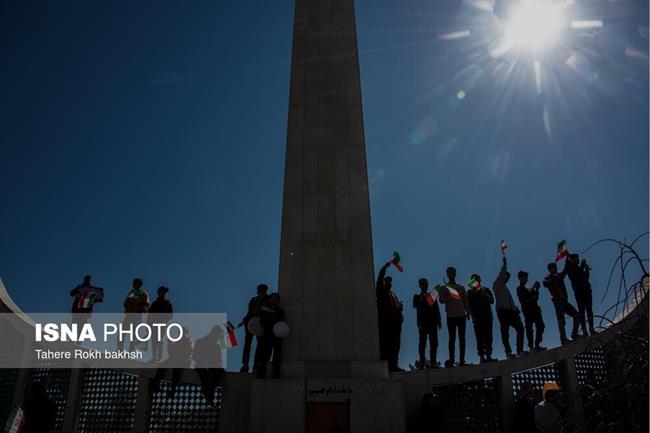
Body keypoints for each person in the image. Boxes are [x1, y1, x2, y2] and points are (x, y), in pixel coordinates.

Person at [543, 260, 585, 344]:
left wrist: (567, 262)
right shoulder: (548, 278)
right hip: (558, 302)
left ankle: (574, 334)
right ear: (550, 269)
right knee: (561, 321)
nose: (555, 269)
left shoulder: (558, 275)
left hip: (564, 301)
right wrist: (553, 277)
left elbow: (565, 271)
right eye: (554, 268)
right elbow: (546, 283)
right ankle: (563, 339)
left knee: (577, 315)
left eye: (556, 268)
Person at [493, 257, 526, 358]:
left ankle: (519, 350)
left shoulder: (505, 288)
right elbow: (501, 275)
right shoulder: (497, 284)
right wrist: (505, 264)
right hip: (502, 312)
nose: (506, 279)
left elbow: (509, 301)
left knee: (520, 328)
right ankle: (508, 352)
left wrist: (515, 308)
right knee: (505, 332)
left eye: (508, 278)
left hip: (511, 312)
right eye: (505, 277)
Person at [439, 267, 470, 367]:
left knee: (462, 338)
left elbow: (466, 300)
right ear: (447, 274)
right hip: (451, 316)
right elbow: (441, 300)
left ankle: (462, 361)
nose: (451, 274)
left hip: (461, 315)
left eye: (453, 272)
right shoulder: (444, 288)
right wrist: (447, 296)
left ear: (455, 274)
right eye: (449, 273)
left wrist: (468, 312)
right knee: (452, 339)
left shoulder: (461, 287)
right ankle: (452, 360)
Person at [376, 262, 404, 372]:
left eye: (390, 282)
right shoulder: (381, 292)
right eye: (387, 282)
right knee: (385, 345)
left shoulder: (393, 294)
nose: (389, 284)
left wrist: (399, 308)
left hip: (395, 323)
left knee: (395, 346)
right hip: (386, 322)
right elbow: (379, 279)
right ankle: (386, 366)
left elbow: (394, 306)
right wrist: (384, 268)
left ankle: (394, 365)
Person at [237, 283, 268, 373]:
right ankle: (245, 364)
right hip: (250, 324)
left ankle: (256, 364)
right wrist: (244, 321)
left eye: (265, 291)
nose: (264, 293)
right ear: (258, 292)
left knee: (260, 345)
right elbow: (249, 312)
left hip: (260, 325)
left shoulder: (268, 300)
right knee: (247, 345)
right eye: (262, 291)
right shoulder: (253, 300)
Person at [254, 292, 285, 378]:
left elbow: (280, 321)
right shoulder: (264, 310)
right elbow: (262, 322)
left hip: (277, 336)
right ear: (269, 300)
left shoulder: (280, 311)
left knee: (277, 355)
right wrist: (271, 322)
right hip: (267, 335)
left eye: (276, 299)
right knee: (265, 355)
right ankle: (261, 373)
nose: (275, 301)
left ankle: (276, 374)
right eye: (273, 298)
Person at [412, 278, 442, 369]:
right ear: (420, 286)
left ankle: (433, 362)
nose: (424, 285)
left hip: (432, 322)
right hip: (423, 323)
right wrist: (421, 298)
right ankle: (422, 363)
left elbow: (436, 309)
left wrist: (439, 321)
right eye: (422, 284)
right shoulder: (416, 296)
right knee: (422, 343)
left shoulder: (432, 295)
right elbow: (415, 305)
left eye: (425, 284)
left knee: (434, 343)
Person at [467, 273, 496, 363]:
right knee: (479, 338)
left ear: (480, 280)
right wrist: (472, 316)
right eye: (474, 280)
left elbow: (492, 301)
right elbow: (468, 306)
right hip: (477, 319)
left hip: (487, 317)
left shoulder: (485, 289)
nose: (476, 281)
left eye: (477, 279)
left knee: (488, 337)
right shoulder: (469, 292)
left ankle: (489, 356)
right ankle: (482, 357)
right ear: (472, 282)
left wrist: (485, 294)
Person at [193, 325, 225, 406]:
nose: (219, 338)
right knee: (205, 375)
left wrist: (216, 364)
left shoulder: (217, 346)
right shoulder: (200, 341)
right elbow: (194, 357)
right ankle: (208, 394)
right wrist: (204, 362)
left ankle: (209, 394)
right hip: (201, 365)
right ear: (214, 333)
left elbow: (219, 360)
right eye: (219, 336)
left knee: (219, 372)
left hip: (212, 366)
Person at [516, 271, 547, 352]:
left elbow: (535, 298)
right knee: (529, 328)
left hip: (535, 309)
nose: (526, 279)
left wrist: (536, 290)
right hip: (528, 311)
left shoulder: (528, 288)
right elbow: (526, 298)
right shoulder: (519, 289)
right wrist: (534, 289)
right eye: (524, 277)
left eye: (526, 278)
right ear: (520, 278)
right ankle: (531, 347)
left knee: (541, 326)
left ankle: (537, 345)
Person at [565, 253, 595, 335]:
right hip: (579, 293)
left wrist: (586, 269)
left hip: (587, 291)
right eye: (576, 259)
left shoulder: (579, 268)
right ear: (572, 260)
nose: (578, 260)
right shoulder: (570, 269)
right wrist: (582, 265)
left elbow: (586, 277)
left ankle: (591, 328)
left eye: (578, 259)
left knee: (589, 310)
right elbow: (576, 272)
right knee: (582, 312)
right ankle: (584, 330)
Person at [118, 278, 150, 351]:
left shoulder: (144, 294)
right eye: (134, 283)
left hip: (137, 317)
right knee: (122, 333)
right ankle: (119, 349)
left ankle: (130, 352)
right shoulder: (132, 293)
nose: (134, 284)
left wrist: (144, 307)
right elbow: (126, 303)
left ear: (139, 284)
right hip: (129, 316)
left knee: (134, 335)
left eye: (135, 283)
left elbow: (147, 305)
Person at [147, 286, 174, 362]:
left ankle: (159, 357)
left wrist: (163, 319)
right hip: (153, 325)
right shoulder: (154, 303)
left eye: (164, 292)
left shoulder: (168, 303)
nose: (163, 293)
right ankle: (154, 357)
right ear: (159, 292)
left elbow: (171, 315)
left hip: (162, 325)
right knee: (153, 340)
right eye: (162, 291)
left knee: (159, 340)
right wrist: (148, 325)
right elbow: (149, 315)